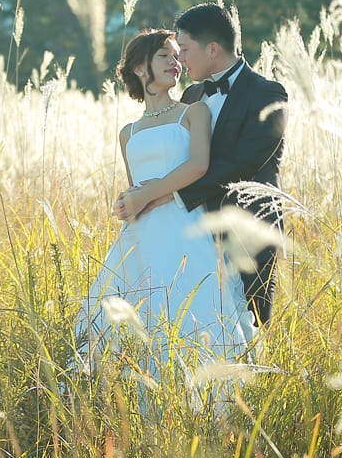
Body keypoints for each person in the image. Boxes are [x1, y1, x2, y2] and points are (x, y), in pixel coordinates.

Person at [77, 28, 253, 365]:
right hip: (141, 238)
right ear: (141, 69)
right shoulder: (128, 133)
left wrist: (147, 196)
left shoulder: (193, 112)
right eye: (165, 56)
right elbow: (135, 189)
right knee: (135, 317)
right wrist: (127, 202)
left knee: (196, 313)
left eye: (177, 56)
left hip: (187, 228)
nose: (175, 62)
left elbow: (199, 166)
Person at [120, 3, 288, 327]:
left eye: (183, 49)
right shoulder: (193, 95)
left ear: (212, 49)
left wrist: (165, 194)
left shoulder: (267, 93)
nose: (179, 59)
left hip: (248, 229)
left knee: (248, 327)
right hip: (193, 232)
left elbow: (244, 163)